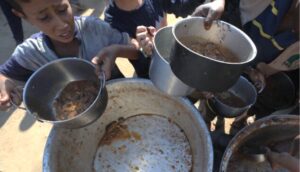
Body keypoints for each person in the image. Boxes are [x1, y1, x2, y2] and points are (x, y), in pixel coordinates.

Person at [0, 0, 140, 111]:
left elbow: (135, 50)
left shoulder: (95, 29)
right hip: (77, 121)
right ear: (23, 16)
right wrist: (5, 91)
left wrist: (116, 50)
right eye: (44, 18)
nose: (61, 25)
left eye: (62, 10)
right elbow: (3, 76)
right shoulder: (30, 53)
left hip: (122, 101)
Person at [104, 0, 206, 78]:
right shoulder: (112, 23)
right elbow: (134, 53)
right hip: (148, 72)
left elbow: (182, 6)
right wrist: (145, 49)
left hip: (170, 56)